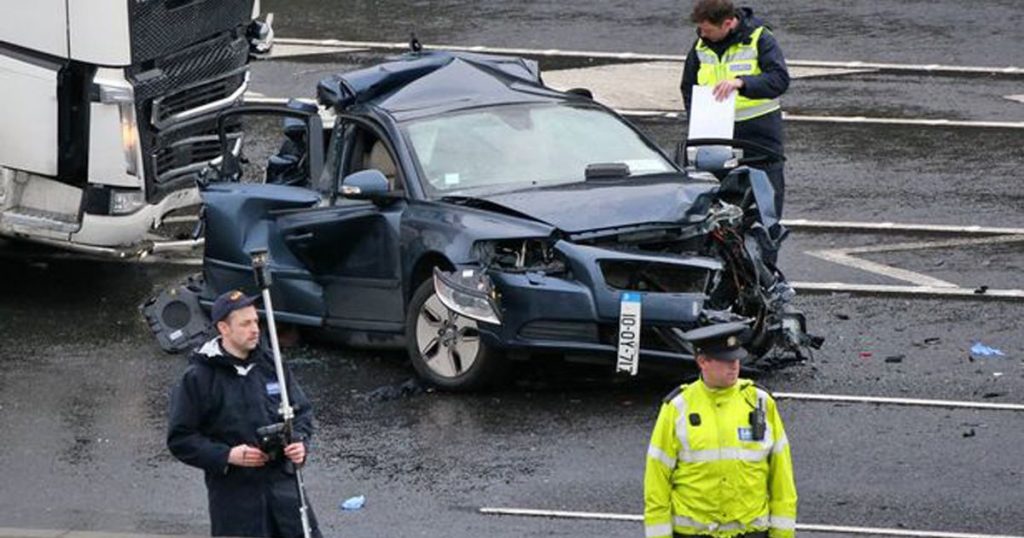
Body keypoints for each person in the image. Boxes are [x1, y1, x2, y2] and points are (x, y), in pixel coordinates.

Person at [167, 290, 321, 538]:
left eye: (256, 321)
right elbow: (180, 439)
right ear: (224, 328)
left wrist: (300, 442)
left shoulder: (273, 366)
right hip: (236, 502)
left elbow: (301, 412)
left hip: (286, 495)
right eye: (245, 323)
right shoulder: (199, 378)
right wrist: (227, 455)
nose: (255, 329)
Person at [643, 323, 797, 538]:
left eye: (736, 359)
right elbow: (656, 483)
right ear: (703, 361)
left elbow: (782, 477)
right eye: (726, 360)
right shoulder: (677, 407)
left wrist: (783, 535)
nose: (734, 366)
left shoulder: (760, 402)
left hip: (750, 532)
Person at [681, 0, 790, 216]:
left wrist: (742, 83)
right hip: (716, 135)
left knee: (765, 206)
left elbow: (779, 80)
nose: (702, 35)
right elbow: (688, 87)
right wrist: (698, 122)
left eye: (708, 30)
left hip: (759, 136)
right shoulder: (701, 45)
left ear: (728, 23)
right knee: (714, 206)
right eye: (700, 29)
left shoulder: (759, 39)